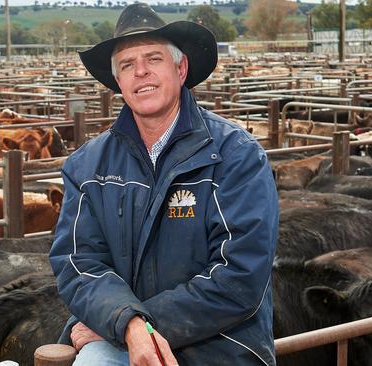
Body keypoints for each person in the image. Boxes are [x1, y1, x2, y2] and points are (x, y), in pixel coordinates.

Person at [49, 3, 278, 366]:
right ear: (118, 82)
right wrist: (127, 324)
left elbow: (240, 276)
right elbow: (79, 262)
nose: (140, 72)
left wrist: (137, 325)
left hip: (221, 345)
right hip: (120, 341)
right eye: (127, 64)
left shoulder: (235, 155)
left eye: (153, 58)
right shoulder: (88, 166)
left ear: (180, 68)